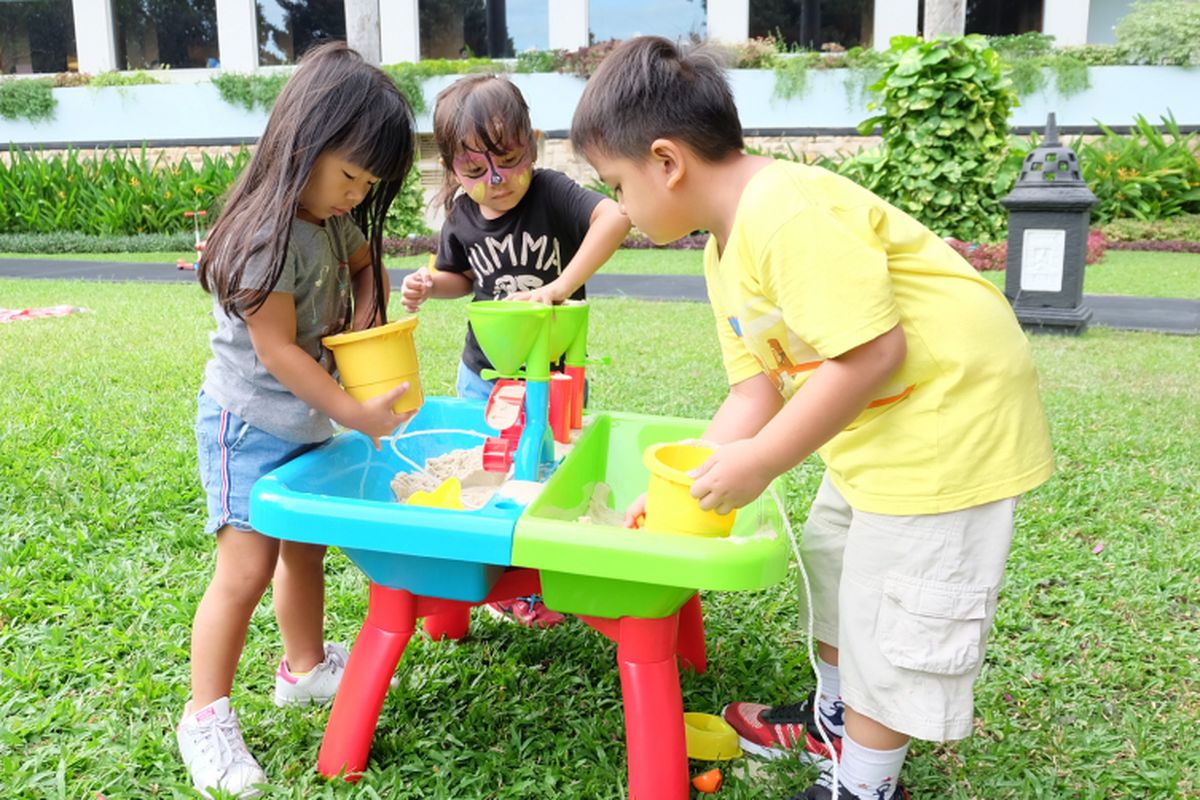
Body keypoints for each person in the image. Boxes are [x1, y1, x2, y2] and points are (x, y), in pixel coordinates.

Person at [570, 37, 1054, 800]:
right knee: (833, 570)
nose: (619, 208)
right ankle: (834, 720)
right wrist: (684, 481)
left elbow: (871, 355)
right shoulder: (721, 251)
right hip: (880, 428)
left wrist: (760, 464)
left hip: (949, 424)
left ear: (666, 162)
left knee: (893, 616)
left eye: (617, 185)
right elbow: (755, 394)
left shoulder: (786, 211)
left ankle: (864, 786)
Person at [179, 41, 417, 798]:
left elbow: (364, 265)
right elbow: (278, 351)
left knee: (303, 552)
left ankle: (304, 669)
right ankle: (204, 717)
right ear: (305, 142)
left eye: (368, 184)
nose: (356, 195)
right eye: (351, 175)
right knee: (244, 571)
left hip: (303, 421)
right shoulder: (264, 233)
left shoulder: (326, 216)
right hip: (248, 422)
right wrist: (357, 410)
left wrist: (370, 318)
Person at [400, 74, 630, 628]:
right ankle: (500, 583)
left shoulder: (552, 193)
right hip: (485, 373)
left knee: (547, 472)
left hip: (555, 375)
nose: (496, 181)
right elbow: (460, 277)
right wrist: (432, 284)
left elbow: (616, 218)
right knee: (490, 474)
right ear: (453, 168)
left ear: (530, 142)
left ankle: (545, 575)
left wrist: (558, 286)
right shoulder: (461, 216)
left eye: (508, 160)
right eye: (476, 172)